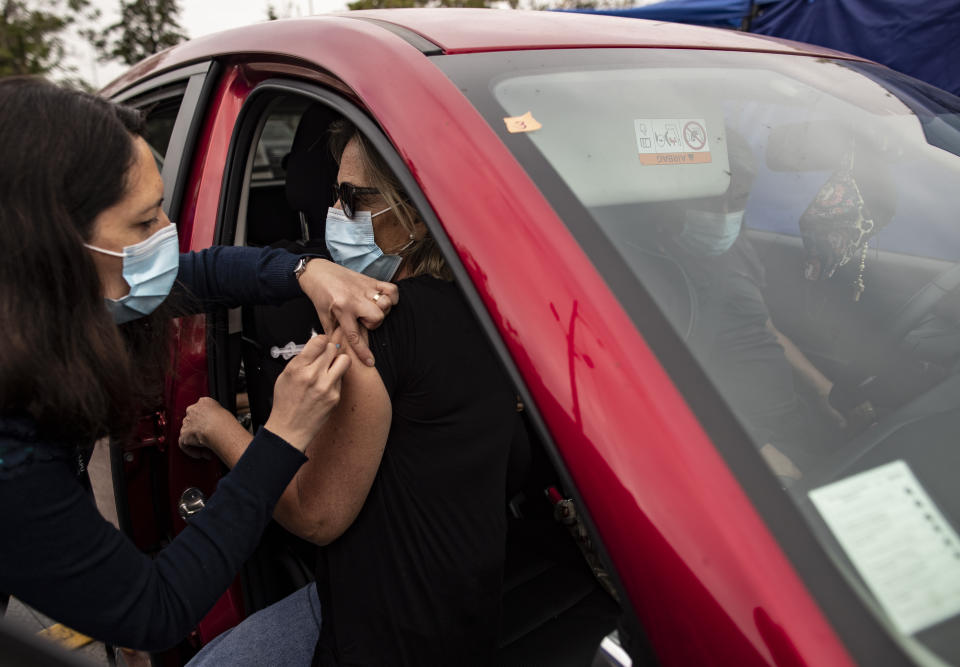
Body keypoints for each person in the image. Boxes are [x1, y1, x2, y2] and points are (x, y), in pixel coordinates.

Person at [0, 77, 399, 650]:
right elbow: (154, 611)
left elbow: (200, 272)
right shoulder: (12, 460)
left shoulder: (42, 301)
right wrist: (281, 434)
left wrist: (303, 270)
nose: (170, 233)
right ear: (49, 245)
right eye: (144, 223)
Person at [179, 119, 519, 665]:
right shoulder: (496, 304)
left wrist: (219, 427)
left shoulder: (371, 333)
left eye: (352, 197)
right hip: (470, 607)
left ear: (413, 208)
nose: (334, 214)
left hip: (382, 628)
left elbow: (315, 514)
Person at [640, 130, 846, 478]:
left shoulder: (732, 244)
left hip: (789, 414)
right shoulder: (648, 270)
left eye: (739, 197)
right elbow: (665, 384)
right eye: (710, 199)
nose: (725, 212)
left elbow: (764, 326)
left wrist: (823, 390)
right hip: (743, 439)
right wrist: (761, 451)